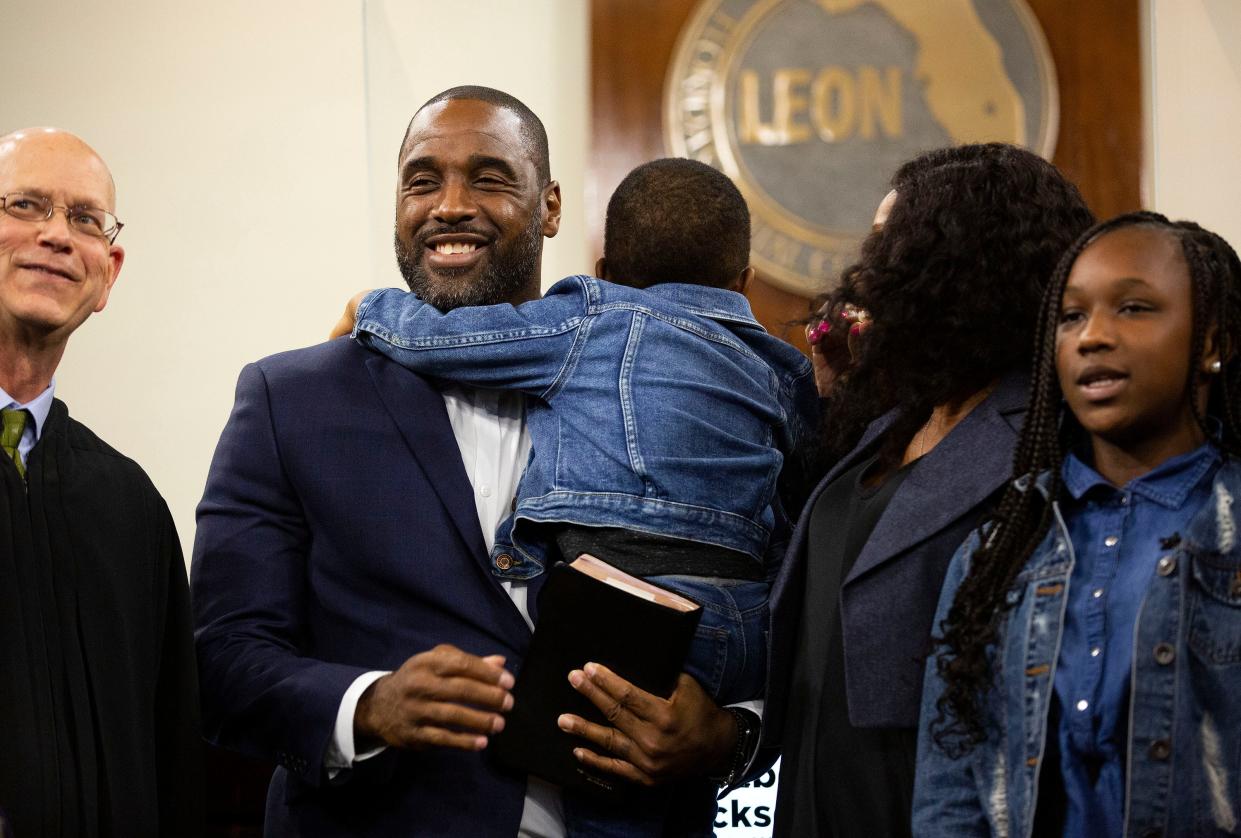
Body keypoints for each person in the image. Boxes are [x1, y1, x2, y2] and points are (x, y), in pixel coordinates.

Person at [192, 87, 741, 836]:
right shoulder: (290, 398)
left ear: (549, 208)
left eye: (488, 177)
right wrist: (368, 704)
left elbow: (783, 594)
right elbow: (223, 662)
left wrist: (732, 730)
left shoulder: (647, 384)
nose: (449, 204)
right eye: (422, 180)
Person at [341, 156, 816, 834]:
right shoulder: (780, 364)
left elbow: (445, 342)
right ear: (740, 282)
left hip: (628, 603)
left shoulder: (592, 319)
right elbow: (804, 503)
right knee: (676, 793)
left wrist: (369, 309)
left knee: (600, 782)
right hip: (743, 619)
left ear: (603, 269)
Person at [762, 143, 1095, 837]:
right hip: (810, 799)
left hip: (930, 806)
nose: (865, 269)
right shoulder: (887, 422)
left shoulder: (1049, 434)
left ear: (959, 264)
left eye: (890, 244)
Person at [915, 213, 1241, 837]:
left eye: (1135, 308)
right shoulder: (1000, 551)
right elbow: (951, 788)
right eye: (1071, 317)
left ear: (1212, 346)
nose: (1093, 336)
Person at [0, 128, 202, 835]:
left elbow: (172, 753)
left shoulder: (130, 506)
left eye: (85, 219)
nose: (56, 234)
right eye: (25, 204)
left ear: (107, 273)